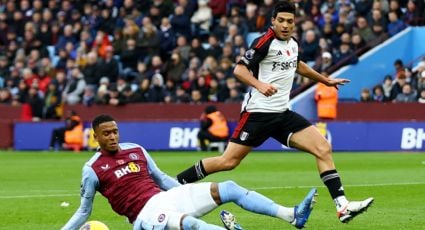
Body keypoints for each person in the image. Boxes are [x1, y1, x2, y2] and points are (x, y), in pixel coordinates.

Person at [176, 1, 373, 224]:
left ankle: (342, 206)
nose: (286, 25)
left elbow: (297, 65)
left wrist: (325, 80)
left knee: (323, 148)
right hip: (258, 114)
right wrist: (259, 85)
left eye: (290, 21)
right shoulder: (264, 42)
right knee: (227, 162)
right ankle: (176, 184)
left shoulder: (294, 43)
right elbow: (239, 69)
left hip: (282, 114)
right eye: (281, 20)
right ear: (273, 21)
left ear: (295, 22)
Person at [61, 114, 317, 230]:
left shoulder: (136, 150)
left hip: (165, 198)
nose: (113, 137)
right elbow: (85, 210)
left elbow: (160, 179)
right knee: (193, 224)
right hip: (143, 217)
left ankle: (292, 216)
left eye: (115, 131)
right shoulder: (92, 169)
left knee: (228, 187)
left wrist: (187, 193)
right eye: (106, 133)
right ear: (95, 136)